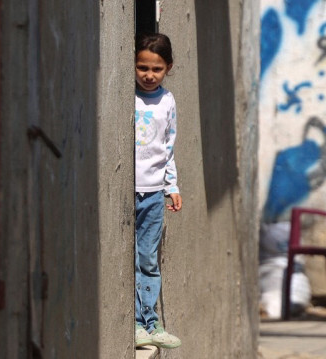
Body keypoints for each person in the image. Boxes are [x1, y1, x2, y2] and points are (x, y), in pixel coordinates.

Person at [133, 32, 182, 349]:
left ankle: (150, 323)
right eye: (142, 67)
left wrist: (171, 185)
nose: (149, 75)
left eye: (157, 69)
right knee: (130, 259)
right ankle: (135, 323)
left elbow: (168, 146)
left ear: (169, 68)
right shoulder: (128, 97)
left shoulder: (167, 101)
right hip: (128, 191)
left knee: (147, 260)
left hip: (153, 194)